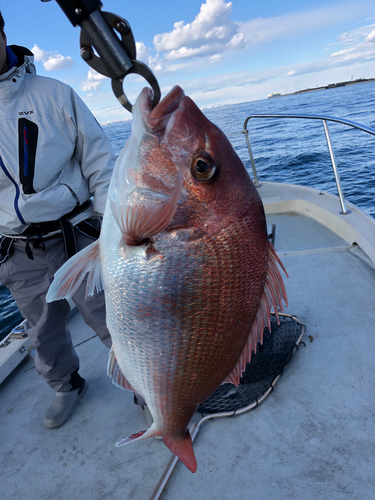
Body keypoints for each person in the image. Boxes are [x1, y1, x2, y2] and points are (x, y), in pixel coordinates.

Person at [0, 12, 116, 428]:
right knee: (42, 331)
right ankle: (67, 386)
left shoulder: (55, 93)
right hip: (16, 247)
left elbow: (99, 157)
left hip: (77, 232)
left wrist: (107, 222)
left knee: (109, 314)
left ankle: (146, 384)